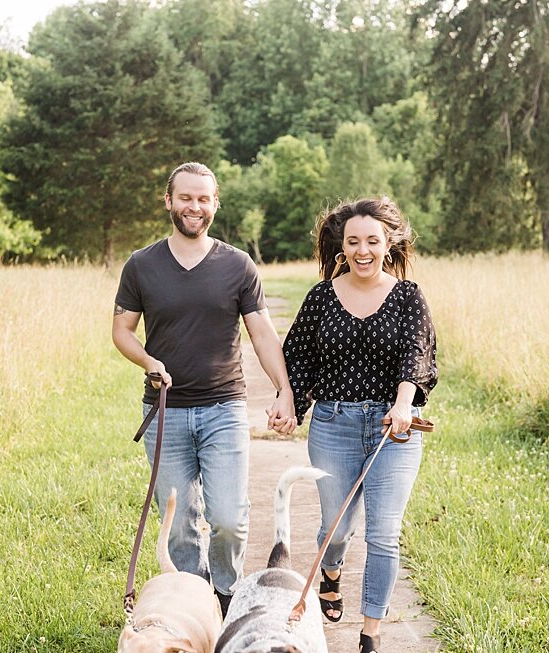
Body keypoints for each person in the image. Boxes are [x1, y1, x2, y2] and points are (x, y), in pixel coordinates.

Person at [112, 161, 297, 617]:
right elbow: (122, 332)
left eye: (203, 199)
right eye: (185, 197)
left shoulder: (237, 265)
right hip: (165, 411)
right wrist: (149, 361)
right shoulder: (141, 265)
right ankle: (194, 606)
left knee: (229, 520)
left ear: (215, 204)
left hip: (224, 408)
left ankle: (227, 596)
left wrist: (284, 390)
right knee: (180, 529)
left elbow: (262, 333)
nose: (194, 206)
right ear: (169, 201)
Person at [277, 197, 437, 653]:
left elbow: (417, 355)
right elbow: (299, 359)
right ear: (340, 246)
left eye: (372, 240)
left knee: (384, 533)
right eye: (353, 241)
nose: (362, 250)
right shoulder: (322, 296)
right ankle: (331, 573)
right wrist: (289, 405)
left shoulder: (408, 296)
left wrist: (404, 403)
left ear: (389, 244)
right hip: (334, 424)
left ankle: (371, 633)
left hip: (395, 429)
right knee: (337, 527)